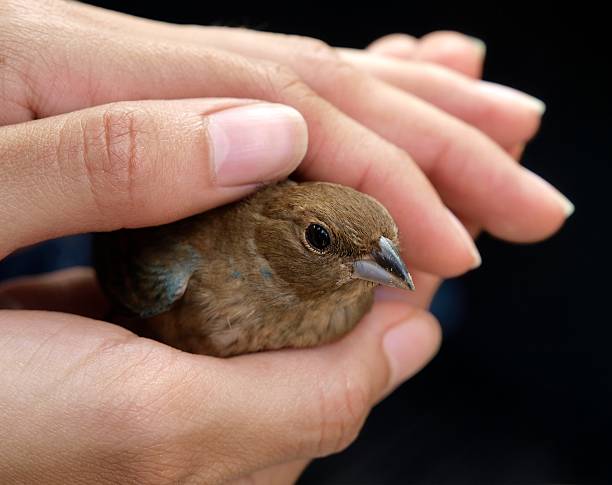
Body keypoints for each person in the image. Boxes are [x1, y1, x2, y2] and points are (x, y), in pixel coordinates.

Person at [0, 1, 573, 483]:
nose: (379, 269)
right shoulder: (182, 270)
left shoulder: (355, 293)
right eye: (321, 240)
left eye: (384, 250)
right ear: (275, 234)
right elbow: (116, 243)